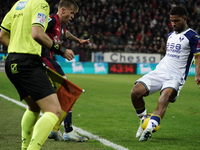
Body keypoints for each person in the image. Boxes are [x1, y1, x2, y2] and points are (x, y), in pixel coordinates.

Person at [0, 0, 74, 149]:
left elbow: (2, 35)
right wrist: (61, 50)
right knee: (54, 111)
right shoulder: (41, 4)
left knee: (34, 107)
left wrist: (17, 49)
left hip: (12, 61)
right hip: (28, 62)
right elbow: (37, 34)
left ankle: (25, 147)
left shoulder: (17, 5)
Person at [131, 6, 200, 142]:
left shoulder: (193, 36)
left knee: (163, 99)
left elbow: (198, 57)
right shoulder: (170, 35)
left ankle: (149, 129)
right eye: (171, 21)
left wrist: (198, 75)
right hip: (160, 71)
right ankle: (144, 120)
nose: (173, 24)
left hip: (176, 77)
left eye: (176, 21)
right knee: (135, 92)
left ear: (184, 19)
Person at [42, 0, 89, 142]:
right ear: (62, 10)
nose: (73, 16)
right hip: (43, 58)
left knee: (57, 93)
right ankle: (66, 130)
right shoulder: (50, 20)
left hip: (48, 59)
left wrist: (78, 40)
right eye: (71, 13)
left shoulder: (61, 25)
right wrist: (61, 50)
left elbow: (65, 33)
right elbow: (36, 32)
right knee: (67, 90)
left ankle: (56, 129)